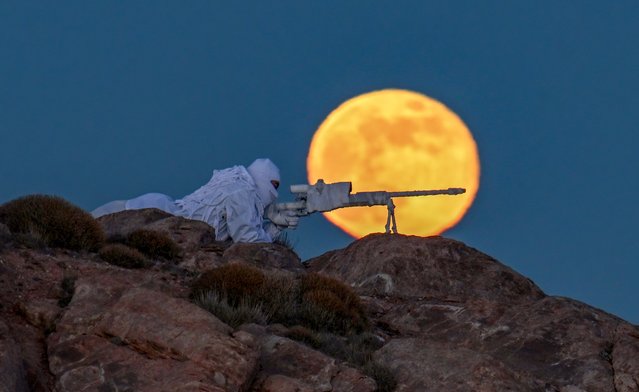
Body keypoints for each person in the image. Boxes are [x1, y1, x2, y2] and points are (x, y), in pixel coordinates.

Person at [91, 158, 299, 243]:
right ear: (263, 180)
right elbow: (246, 237)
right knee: (93, 227)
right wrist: (273, 230)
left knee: (92, 223)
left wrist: (269, 219)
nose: (275, 193)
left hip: (159, 206)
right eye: (274, 186)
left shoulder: (233, 180)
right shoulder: (242, 193)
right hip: (165, 216)